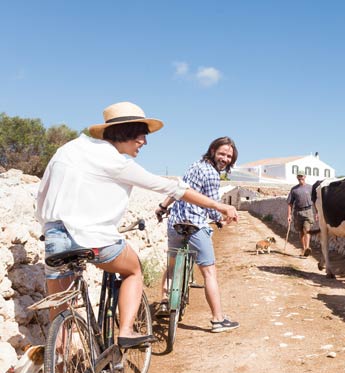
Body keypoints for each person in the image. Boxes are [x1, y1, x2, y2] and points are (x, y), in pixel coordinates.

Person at [38, 102, 238, 351]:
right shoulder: (116, 162)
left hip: (55, 235)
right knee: (133, 270)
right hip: (95, 238)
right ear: (127, 131)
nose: (144, 142)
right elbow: (175, 189)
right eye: (142, 134)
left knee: (59, 316)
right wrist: (220, 208)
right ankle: (127, 330)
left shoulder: (67, 150)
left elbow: (43, 192)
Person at [161, 137, 240, 333]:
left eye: (229, 156)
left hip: (175, 223)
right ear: (213, 150)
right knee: (209, 272)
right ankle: (218, 319)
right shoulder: (212, 173)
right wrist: (220, 220)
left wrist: (163, 206)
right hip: (195, 225)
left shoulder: (193, 166)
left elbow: (178, 189)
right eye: (222, 153)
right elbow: (212, 204)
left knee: (171, 265)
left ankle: (164, 301)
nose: (225, 158)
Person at [287, 174, 315, 255]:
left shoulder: (310, 188)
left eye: (302, 177)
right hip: (298, 212)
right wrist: (289, 215)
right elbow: (290, 203)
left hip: (308, 211)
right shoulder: (294, 189)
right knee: (301, 232)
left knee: (307, 230)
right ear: (297, 178)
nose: (300, 178)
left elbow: (315, 200)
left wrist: (317, 212)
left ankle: (307, 248)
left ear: (305, 177)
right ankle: (304, 249)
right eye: (299, 177)